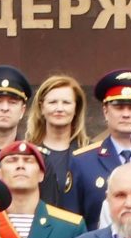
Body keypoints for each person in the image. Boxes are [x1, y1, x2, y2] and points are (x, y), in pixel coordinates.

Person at [72, 69, 131, 224]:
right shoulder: (82, 161)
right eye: (119, 107)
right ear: (105, 111)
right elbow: (72, 222)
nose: (126, 114)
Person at [26, 72, 89, 209]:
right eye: (53, 102)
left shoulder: (88, 154)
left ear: (76, 108)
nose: (59, 108)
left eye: (66, 103)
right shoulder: (28, 154)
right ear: (42, 107)